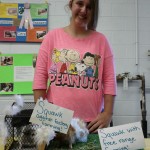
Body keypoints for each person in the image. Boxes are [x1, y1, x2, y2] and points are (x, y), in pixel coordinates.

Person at [33, 0, 117, 133]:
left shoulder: (101, 41)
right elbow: (39, 79)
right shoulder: (51, 38)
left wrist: (108, 113)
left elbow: (110, 81)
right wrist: (44, 115)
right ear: (71, 4)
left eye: (89, 7)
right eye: (80, 3)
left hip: (91, 123)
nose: (84, 10)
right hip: (56, 121)